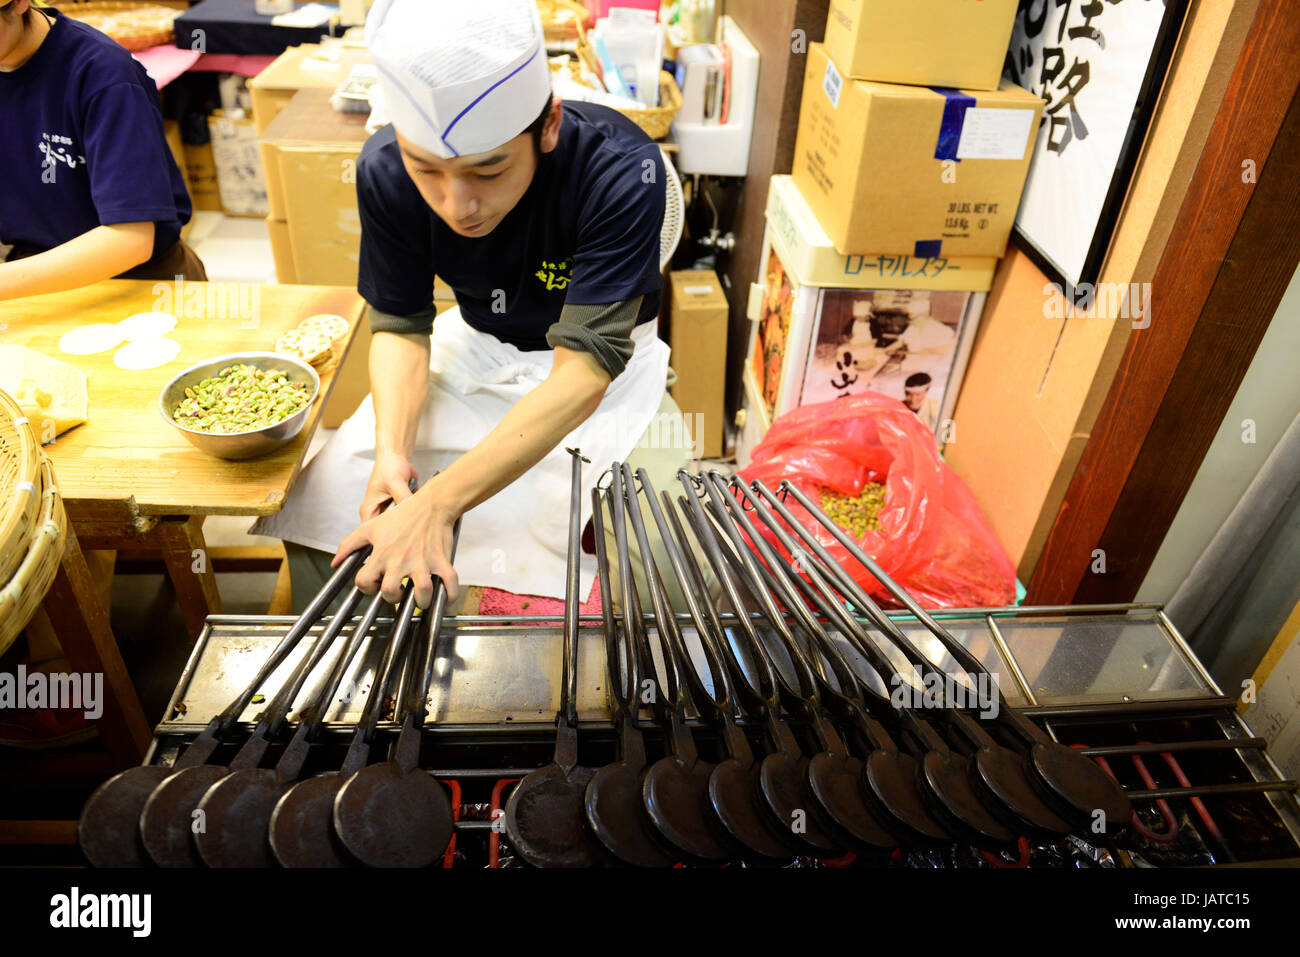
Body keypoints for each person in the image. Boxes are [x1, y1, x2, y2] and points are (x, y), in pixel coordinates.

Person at [252, 0, 701, 613]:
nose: (457, 205)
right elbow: (402, 326)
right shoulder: (384, 171)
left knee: (661, 540)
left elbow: (585, 373)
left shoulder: (620, 171)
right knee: (325, 494)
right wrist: (393, 454)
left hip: (604, 371)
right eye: (426, 170)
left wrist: (437, 503)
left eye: (489, 170)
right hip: (475, 349)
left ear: (547, 127)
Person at [0, 0, 205, 301]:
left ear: (19, 3)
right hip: (29, 279)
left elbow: (131, 239)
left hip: (139, 281)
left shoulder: (103, 74)